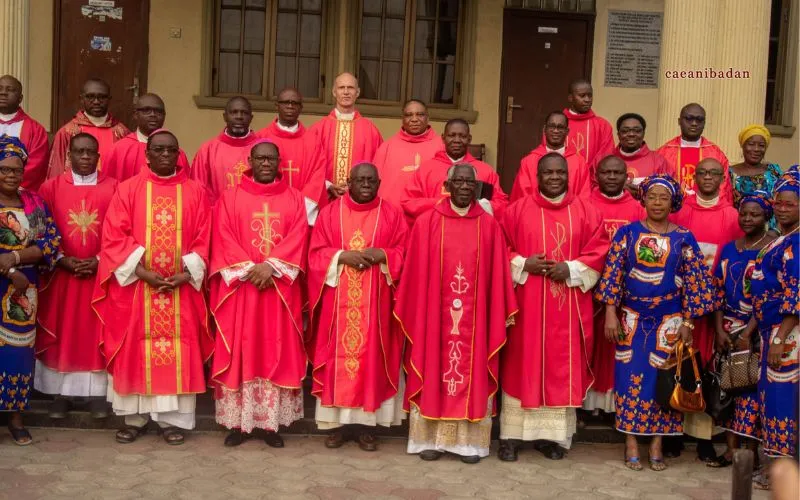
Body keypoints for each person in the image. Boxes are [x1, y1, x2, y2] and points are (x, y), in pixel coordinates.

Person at [93, 129, 212, 445]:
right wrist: (143, 272)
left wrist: (186, 273)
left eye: (171, 150)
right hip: (136, 288)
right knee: (134, 349)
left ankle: (172, 421)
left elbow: (206, 236)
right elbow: (113, 236)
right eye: (158, 150)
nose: (165, 155)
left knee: (179, 349)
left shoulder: (195, 191)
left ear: (179, 153)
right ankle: (134, 418)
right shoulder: (128, 189)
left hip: (181, 288)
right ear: (147, 154)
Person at [594, 174, 719, 471]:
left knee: (663, 381)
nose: (658, 202)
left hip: (670, 321)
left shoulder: (684, 237)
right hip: (632, 319)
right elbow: (613, 274)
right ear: (643, 200)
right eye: (652, 197)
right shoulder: (627, 234)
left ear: (672, 202)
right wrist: (610, 312)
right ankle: (631, 442)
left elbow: (696, 283)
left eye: (664, 197)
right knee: (629, 379)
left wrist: (688, 322)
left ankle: (657, 443)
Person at [395, 164, 517, 464]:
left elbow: (498, 278)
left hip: (476, 321)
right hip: (434, 319)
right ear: (447, 186)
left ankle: (469, 444)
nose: (464, 186)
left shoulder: (489, 226)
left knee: (471, 370)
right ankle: (429, 440)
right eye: (458, 181)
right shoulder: (426, 223)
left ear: (477, 188)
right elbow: (413, 276)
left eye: (469, 182)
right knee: (432, 364)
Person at [498, 153, 609, 462]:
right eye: (548, 172)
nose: (555, 177)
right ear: (537, 176)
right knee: (522, 364)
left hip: (567, 306)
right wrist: (524, 263)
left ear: (568, 176)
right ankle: (511, 437)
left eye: (561, 172)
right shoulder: (516, 210)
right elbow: (499, 248)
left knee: (561, 368)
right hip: (527, 306)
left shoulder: (587, 211)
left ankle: (552, 438)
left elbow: (600, 250)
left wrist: (570, 268)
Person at [209, 140, 308, 448]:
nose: (266, 163)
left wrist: (271, 267)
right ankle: (238, 424)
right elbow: (222, 234)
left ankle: (270, 425)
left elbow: (299, 235)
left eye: (271, 159)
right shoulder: (230, 197)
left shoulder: (295, 198)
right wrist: (250, 269)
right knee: (242, 347)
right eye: (260, 158)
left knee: (276, 349)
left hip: (278, 290)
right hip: (242, 288)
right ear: (250, 161)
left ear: (279, 162)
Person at [307, 162, 408, 451]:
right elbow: (315, 253)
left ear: (379, 183)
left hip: (377, 305)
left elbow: (404, 252)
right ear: (349, 182)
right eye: (360, 180)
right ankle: (336, 426)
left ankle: (367, 427)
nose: (365, 185)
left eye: (371, 181)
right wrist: (341, 256)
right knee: (337, 360)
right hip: (338, 305)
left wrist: (383, 254)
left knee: (372, 358)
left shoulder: (392, 214)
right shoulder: (330, 213)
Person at [35, 133, 117, 419]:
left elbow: (121, 230)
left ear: (98, 156)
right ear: (68, 156)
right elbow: (41, 228)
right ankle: (62, 394)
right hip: (62, 275)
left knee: (96, 332)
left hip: (99, 274)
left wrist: (99, 260)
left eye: (90, 152)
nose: (85, 157)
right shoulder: (50, 188)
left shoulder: (115, 187)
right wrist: (60, 258)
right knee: (64, 330)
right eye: (79, 152)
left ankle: (96, 395)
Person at [0, 135, 61, 445]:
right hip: (9, 280)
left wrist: (15, 258)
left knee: (18, 354)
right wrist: (10, 270)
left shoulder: (34, 203)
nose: (12, 175)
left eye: (17, 170)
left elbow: (50, 243)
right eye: (5, 169)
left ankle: (15, 417)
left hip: (23, 292)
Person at [709, 192, 775, 468]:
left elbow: (770, 295)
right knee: (728, 389)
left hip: (757, 330)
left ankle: (750, 453)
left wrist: (748, 333)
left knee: (750, 391)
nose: (747, 219)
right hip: (727, 328)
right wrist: (719, 330)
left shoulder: (771, 248)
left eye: (754, 214)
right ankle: (730, 450)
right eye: (744, 213)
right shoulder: (729, 249)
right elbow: (717, 290)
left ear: (766, 216)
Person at [749, 167, 799, 488]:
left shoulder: (798, 243)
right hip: (773, 332)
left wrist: (780, 338)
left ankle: (781, 472)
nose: (782, 208)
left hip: (788, 335)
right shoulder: (783, 238)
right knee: (773, 399)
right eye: (778, 202)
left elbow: (797, 293)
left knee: (782, 400)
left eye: (790, 204)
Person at [584, 155, 645, 414]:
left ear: (626, 177)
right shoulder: (584, 205)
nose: (611, 177)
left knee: (619, 347)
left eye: (617, 173)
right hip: (588, 286)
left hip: (627, 289)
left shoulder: (638, 209)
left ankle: (614, 405)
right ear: (596, 176)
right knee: (590, 345)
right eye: (605, 172)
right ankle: (586, 404)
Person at [672, 158, 743, 363]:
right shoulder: (679, 212)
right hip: (680, 300)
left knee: (706, 360)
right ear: (694, 178)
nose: (708, 177)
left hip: (716, 303)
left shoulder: (733, 216)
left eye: (714, 173)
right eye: (702, 172)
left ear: (722, 179)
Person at [401, 119, 507, 219]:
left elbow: (501, 204)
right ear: (443, 138)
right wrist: (443, 204)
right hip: (436, 227)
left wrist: (481, 205)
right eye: (451, 135)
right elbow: (409, 202)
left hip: (472, 227)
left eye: (462, 136)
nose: (457, 140)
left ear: (469, 139)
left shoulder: (486, 171)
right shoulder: (426, 169)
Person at [257, 88, 326, 225]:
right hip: (269, 211)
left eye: (295, 103)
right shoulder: (261, 138)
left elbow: (317, 179)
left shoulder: (313, 141)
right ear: (277, 105)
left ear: (301, 108)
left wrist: (299, 211)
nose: (290, 106)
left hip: (303, 213)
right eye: (285, 102)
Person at [311, 73, 382, 200]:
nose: (346, 92)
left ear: (357, 92)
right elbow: (310, 165)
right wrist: (328, 185)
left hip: (359, 200)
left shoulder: (371, 130)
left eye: (350, 88)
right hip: (326, 198)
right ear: (334, 92)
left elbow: (379, 166)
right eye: (341, 88)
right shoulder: (318, 129)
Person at [48, 78, 129, 178]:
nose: (96, 101)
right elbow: (56, 171)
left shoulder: (122, 132)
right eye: (90, 96)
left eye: (102, 97)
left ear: (109, 99)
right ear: (81, 99)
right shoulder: (67, 132)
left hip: (113, 186)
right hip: (76, 187)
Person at [103, 93, 190, 182]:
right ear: (135, 114)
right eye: (146, 110)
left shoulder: (176, 153)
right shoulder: (118, 150)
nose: (153, 114)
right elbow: (108, 186)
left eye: (158, 111)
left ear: (164, 115)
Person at [373, 100, 444, 207]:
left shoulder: (442, 146)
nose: (414, 119)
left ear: (428, 118)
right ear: (402, 119)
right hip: (394, 212)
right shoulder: (387, 147)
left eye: (420, 114)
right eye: (409, 115)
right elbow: (374, 183)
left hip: (430, 213)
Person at [191, 96, 261, 205]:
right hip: (217, 213)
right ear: (225, 116)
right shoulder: (207, 150)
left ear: (251, 118)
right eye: (234, 112)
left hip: (252, 212)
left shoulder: (262, 148)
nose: (239, 117)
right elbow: (198, 190)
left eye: (244, 113)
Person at [656, 103, 732, 202]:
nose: (694, 123)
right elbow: (657, 185)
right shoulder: (664, 152)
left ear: (704, 123)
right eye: (689, 118)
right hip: (673, 208)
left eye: (699, 120)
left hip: (706, 207)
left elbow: (724, 186)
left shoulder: (715, 153)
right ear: (679, 121)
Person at [511, 111, 590, 202]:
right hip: (535, 209)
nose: (556, 131)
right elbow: (522, 197)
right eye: (552, 126)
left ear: (567, 131)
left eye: (560, 127)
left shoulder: (579, 163)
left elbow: (584, 198)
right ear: (545, 129)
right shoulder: (528, 162)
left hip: (571, 210)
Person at [0, 75, 49, 191]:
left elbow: (36, 166)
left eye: (10, 89)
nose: (3, 93)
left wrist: (9, 187)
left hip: (19, 193)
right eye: (0, 89)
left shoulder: (36, 130)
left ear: (20, 98)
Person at [611, 113, 672, 195]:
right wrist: (617, 189)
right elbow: (595, 188)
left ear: (643, 134)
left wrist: (645, 191)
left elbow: (670, 189)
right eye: (625, 131)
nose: (631, 134)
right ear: (618, 134)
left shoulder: (658, 161)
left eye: (637, 131)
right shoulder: (605, 160)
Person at [729, 124, 783, 210]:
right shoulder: (730, 173)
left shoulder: (774, 171)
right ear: (743, 146)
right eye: (751, 144)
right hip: (738, 218)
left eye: (761, 145)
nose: (756, 149)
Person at [562, 79, 614, 168]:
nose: (587, 100)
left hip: (592, 176)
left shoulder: (603, 125)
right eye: (582, 96)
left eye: (590, 96)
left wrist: (587, 174)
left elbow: (606, 156)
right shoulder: (558, 124)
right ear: (570, 98)